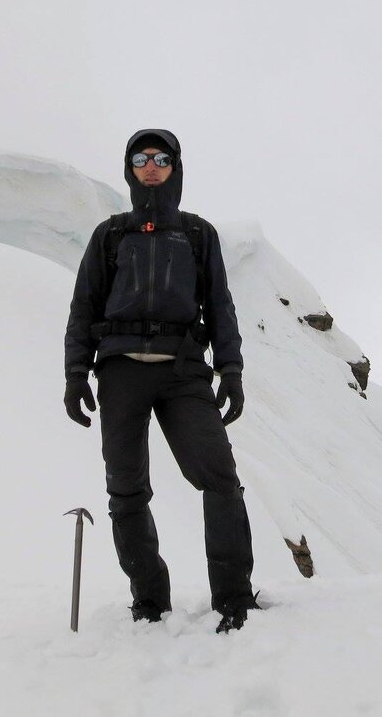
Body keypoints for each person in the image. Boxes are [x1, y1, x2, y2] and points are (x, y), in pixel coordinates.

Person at [63, 128, 260, 633]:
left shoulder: (197, 234)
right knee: (126, 491)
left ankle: (234, 600)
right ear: (129, 169)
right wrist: (75, 372)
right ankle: (150, 602)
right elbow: (84, 306)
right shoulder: (110, 234)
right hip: (121, 373)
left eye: (161, 158)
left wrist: (231, 370)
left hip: (183, 371)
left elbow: (219, 305)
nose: (151, 166)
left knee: (219, 478)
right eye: (140, 158)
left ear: (176, 168)